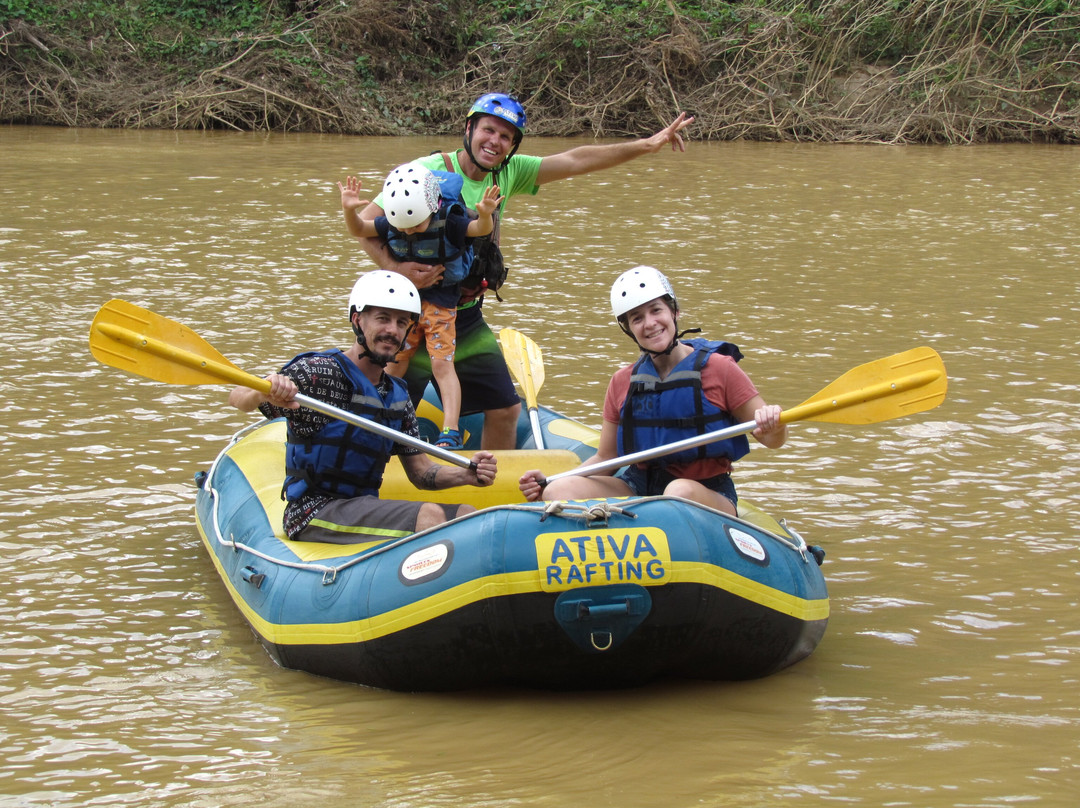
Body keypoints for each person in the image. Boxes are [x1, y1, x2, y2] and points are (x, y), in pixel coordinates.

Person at [355, 93, 696, 450]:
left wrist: (647, 144)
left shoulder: (509, 172)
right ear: (469, 128)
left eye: (506, 137)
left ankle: (485, 489)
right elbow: (363, 224)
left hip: (462, 314)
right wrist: (396, 269)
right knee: (379, 403)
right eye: (488, 130)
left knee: (504, 408)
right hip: (406, 315)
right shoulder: (426, 171)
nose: (495, 142)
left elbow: (576, 160)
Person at [228, 271, 497, 544]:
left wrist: (465, 474)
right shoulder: (318, 373)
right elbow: (237, 397)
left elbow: (421, 473)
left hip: (362, 507)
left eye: (401, 322)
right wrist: (265, 389)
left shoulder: (397, 395)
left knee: (467, 514)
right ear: (358, 320)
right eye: (382, 318)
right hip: (313, 511)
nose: (392, 330)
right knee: (428, 515)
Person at [518, 266, 785, 516]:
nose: (649, 323)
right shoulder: (622, 381)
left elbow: (774, 440)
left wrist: (773, 426)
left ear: (674, 312)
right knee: (559, 491)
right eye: (637, 318)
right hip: (638, 486)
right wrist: (550, 481)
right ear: (629, 329)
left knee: (676, 492)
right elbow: (606, 457)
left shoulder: (719, 369)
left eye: (656, 310)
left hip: (705, 489)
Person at [338, 162, 503, 449]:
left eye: (416, 225)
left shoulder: (449, 220)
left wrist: (486, 215)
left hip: (440, 307)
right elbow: (360, 229)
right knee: (395, 363)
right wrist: (349, 210)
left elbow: (477, 229)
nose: (410, 232)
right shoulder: (395, 219)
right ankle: (382, 419)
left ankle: (450, 431)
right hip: (406, 309)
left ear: (433, 207)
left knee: (442, 364)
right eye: (403, 227)